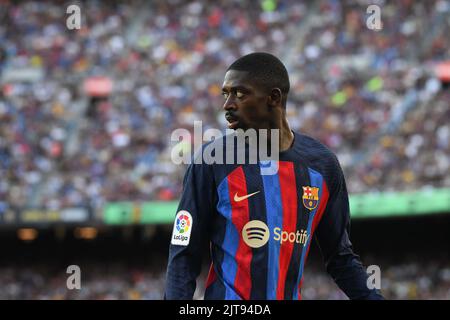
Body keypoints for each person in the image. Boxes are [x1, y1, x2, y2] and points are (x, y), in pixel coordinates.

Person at [165, 52, 384, 300]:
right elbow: (183, 255)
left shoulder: (323, 166)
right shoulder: (212, 160)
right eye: (226, 94)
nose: (228, 104)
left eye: (240, 93)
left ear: (273, 98)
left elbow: (341, 257)